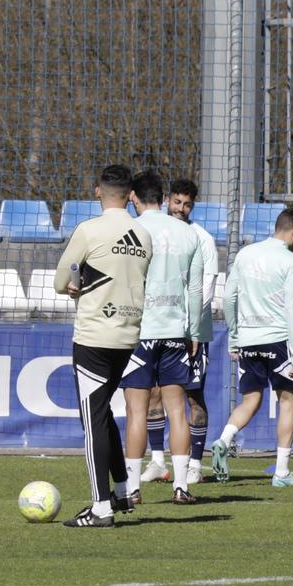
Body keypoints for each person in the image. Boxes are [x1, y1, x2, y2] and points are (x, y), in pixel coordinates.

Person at [52, 165, 151, 528]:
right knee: (103, 411)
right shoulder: (143, 234)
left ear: (98, 192)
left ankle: (101, 507)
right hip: (128, 336)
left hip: (94, 335)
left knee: (92, 420)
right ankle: (122, 490)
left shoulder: (89, 230)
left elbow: (62, 280)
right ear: (130, 196)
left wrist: (75, 285)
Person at [113, 168, 207, 515]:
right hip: (174, 333)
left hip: (139, 332)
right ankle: (181, 487)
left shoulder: (131, 230)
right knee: (177, 410)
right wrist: (194, 331)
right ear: (163, 197)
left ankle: (133, 489)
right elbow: (195, 289)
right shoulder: (187, 234)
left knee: (137, 410)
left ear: (134, 197)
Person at [210, 206, 293, 487]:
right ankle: (281, 473)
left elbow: (229, 298)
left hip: (249, 340)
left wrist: (234, 336)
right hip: (277, 340)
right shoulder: (291, 262)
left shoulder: (246, 253)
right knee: (288, 400)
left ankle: (223, 439)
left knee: (250, 400)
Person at [151, 177, 220, 485]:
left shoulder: (202, 238)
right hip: (157, 327)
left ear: (194, 206)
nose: (180, 208)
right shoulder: (156, 231)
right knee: (151, 394)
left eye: (187, 204)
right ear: (167, 200)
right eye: (176, 202)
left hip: (191, 333)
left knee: (192, 397)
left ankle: (194, 464)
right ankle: (156, 461)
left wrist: (189, 323)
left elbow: (205, 286)